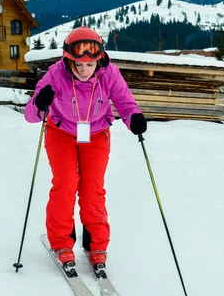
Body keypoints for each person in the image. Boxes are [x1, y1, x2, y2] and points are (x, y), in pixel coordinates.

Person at [24, 26, 147, 270]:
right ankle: (61, 242)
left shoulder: (109, 73)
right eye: (77, 65)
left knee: (92, 189)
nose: (83, 70)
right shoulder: (55, 74)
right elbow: (30, 115)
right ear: (68, 59)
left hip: (97, 133)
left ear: (99, 60)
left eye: (89, 65)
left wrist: (134, 118)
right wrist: (40, 102)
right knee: (66, 183)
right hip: (61, 133)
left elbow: (125, 102)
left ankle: (96, 245)